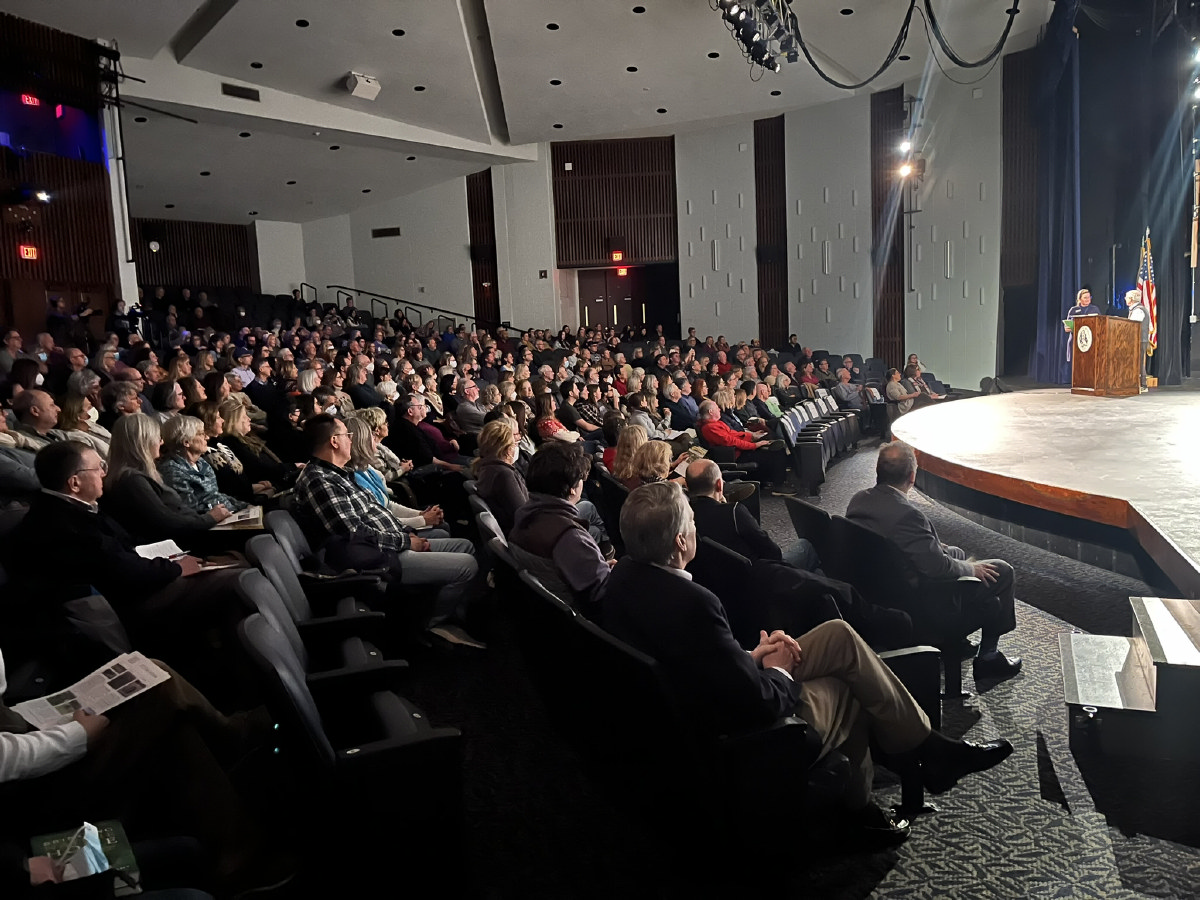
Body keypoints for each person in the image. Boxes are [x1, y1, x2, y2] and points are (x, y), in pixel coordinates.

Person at [598, 481, 1014, 843]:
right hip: (744, 732)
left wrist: (753, 655)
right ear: (680, 543)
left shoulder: (623, 580)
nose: (695, 527)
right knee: (845, 683)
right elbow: (760, 701)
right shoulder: (693, 604)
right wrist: (776, 667)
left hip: (708, 698)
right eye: (691, 521)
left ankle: (930, 751)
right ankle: (865, 807)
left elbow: (700, 660)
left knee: (839, 635)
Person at [292, 415, 483, 647]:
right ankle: (433, 624)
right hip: (379, 557)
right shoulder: (319, 480)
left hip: (389, 545)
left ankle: (448, 610)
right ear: (334, 441)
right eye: (347, 435)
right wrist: (405, 540)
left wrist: (408, 530)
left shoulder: (337, 473)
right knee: (468, 565)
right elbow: (355, 534)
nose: (351, 440)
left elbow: (375, 513)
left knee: (465, 546)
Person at [845, 442, 1022, 680]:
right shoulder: (908, 515)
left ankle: (957, 644)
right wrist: (970, 568)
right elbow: (937, 567)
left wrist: (945, 551)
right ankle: (988, 658)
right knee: (1001, 571)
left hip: (876, 595)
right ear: (912, 476)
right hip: (921, 606)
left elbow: (906, 546)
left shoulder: (859, 500)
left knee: (955, 551)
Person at [509, 442, 613, 609]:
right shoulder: (570, 537)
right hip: (586, 612)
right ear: (572, 489)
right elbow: (602, 592)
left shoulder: (525, 513)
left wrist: (594, 566)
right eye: (580, 479)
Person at [685, 458, 818, 569]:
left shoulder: (682, 517)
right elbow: (773, 552)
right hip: (755, 578)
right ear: (719, 485)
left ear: (687, 485)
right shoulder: (733, 512)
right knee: (806, 547)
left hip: (713, 583)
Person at [696, 399, 794, 495]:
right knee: (776, 453)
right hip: (736, 455)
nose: (719, 409)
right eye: (717, 408)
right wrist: (754, 445)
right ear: (711, 412)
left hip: (740, 451)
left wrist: (752, 436)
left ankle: (774, 478)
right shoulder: (710, 428)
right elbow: (731, 441)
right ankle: (778, 486)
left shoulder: (716, 424)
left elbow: (733, 434)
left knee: (771, 445)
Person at [158, 416, 249, 516]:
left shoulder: (202, 463)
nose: (207, 437)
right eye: (201, 434)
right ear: (186, 442)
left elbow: (215, 495)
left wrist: (244, 506)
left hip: (228, 515)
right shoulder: (172, 470)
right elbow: (191, 508)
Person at [1064, 288, 1101, 364]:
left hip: (1090, 342)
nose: (1088, 299)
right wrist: (1070, 327)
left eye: (1089, 297)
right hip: (1075, 341)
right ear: (1080, 299)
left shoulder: (1095, 309)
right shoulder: (1073, 310)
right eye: (1085, 297)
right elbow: (1066, 328)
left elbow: (1100, 324)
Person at [1125, 288, 1150, 390]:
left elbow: (1133, 325)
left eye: (1126, 297)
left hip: (1139, 339)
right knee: (1136, 361)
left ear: (1131, 299)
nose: (1125, 299)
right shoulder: (1134, 309)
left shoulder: (1138, 310)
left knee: (1138, 362)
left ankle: (1142, 385)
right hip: (1136, 339)